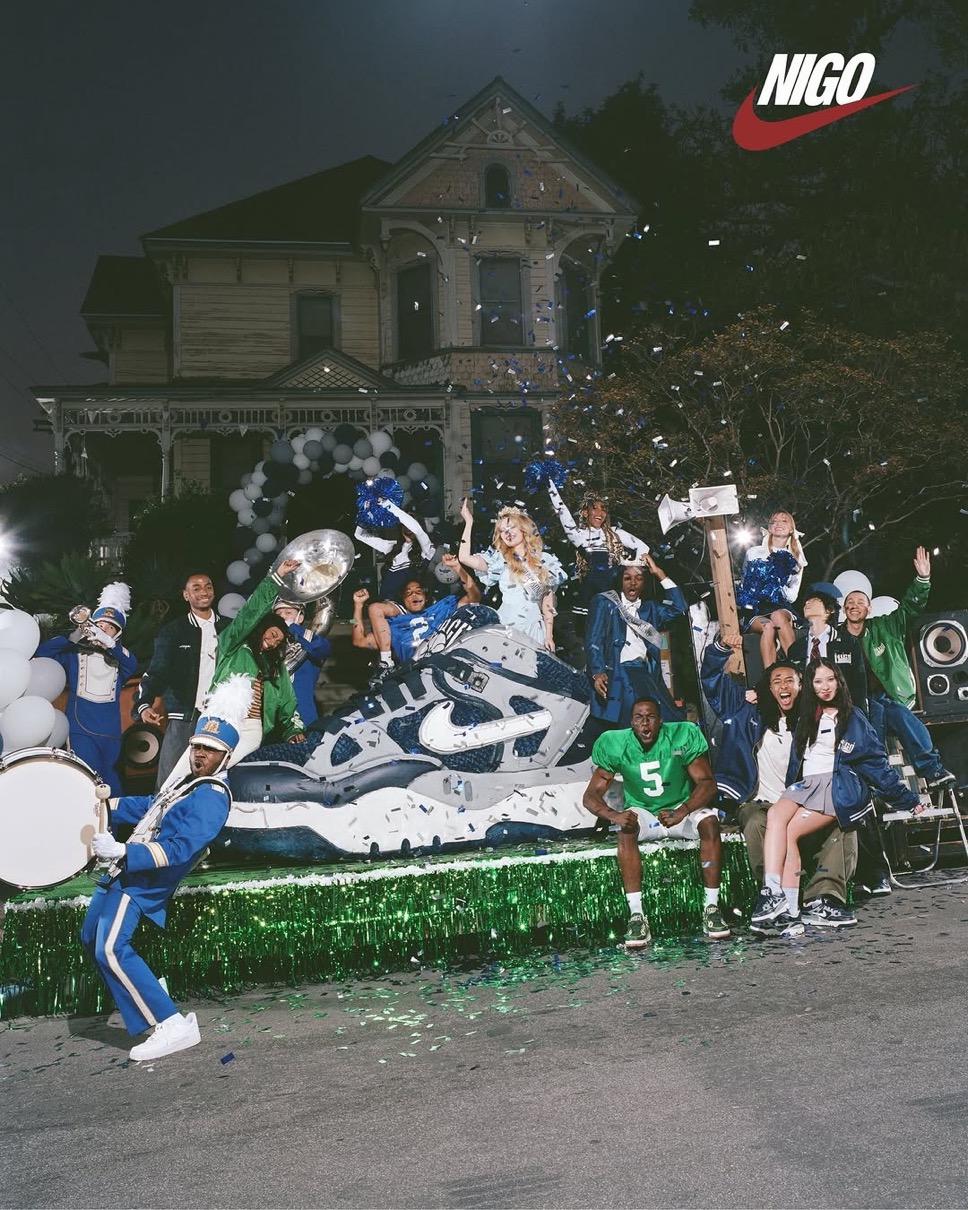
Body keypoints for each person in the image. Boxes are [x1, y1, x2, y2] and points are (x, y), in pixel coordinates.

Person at [82, 674, 252, 1062]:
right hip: (126, 868)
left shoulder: (212, 795)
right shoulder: (189, 783)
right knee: (91, 936)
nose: (200, 755)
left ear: (225, 756)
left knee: (110, 947)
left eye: (210, 750)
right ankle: (149, 993)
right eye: (197, 747)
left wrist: (124, 851)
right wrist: (105, 807)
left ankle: (171, 1023)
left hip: (143, 879)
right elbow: (151, 806)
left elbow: (179, 848)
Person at [750, 659, 927, 934]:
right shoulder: (807, 715)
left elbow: (876, 764)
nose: (825, 686)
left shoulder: (852, 717)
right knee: (775, 815)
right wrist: (756, 694)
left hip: (834, 786)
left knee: (789, 833)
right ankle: (774, 895)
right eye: (818, 681)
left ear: (839, 681)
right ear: (810, 685)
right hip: (805, 785)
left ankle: (790, 909)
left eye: (830, 679)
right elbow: (780, 702)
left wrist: (908, 799)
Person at [701, 635, 857, 928]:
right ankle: (774, 897)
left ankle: (823, 899)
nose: (784, 686)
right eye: (777, 681)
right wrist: (720, 648)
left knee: (842, 821)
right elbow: (711, 680)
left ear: (801, 686)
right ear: (768, 688)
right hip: (757, 800)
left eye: (790, 681)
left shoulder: (813, 721)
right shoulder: (745, 711)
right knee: (757, 822)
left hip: (800, 803)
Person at [582, 698, 731, 946]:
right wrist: (614, 815)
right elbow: (590, 796)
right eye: (639, 718)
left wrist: (683, 810)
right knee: (625, 829)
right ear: (631, 722)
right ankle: (636, 915)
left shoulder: (680, 737)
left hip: (680, 810)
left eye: (650, 717)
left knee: (710, 822)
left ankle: (712, 908)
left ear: (660, 721)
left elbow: (707, 783)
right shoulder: (617, 744)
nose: (645, 723)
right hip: (646, 815)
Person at [842, 546, 953, 790]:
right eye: (850, 602)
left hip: (887, 696)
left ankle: (932, 770)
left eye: (860, 601)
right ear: (844, 609)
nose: (855, 605)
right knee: (872, 719)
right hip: (854, 702)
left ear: (869, 608)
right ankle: (875, 782)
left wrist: (922, 579)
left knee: (898, 714)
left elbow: (910, 607)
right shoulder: (837, 638)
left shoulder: (885, 627)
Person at [36, 582, 138, 795]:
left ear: (117, 634)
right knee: (85, 778)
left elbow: (132, 663)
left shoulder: (121, 660)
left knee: (110, 783)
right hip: (80, 727)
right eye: (99, 625)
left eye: (110, 627)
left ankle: (113, 817)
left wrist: (109, 644)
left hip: (110, 731)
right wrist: (74, 637)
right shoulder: (74, 655)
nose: (103, 629)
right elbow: (43, 652)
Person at [134, 571, 229, 788]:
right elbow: (156, 671)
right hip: (184, 717)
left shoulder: (228, 628)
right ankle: (163, 811)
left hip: (219, 717)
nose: (204, 592)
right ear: (186, 595)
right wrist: (144, 704)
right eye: (196, 588)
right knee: (170, 781)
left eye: (208, 586)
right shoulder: (173, 631)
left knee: (215, 779)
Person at [585, 558, 687, 727]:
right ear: (620, 580)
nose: (633, 583)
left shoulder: (650, 608)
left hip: (645, 673)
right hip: (618, 673)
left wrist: (659, 573)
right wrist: (598, 672)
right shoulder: (604, 602)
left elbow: (679, 606)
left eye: (639, 578)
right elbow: (593, 639)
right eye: (627, 578)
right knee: (631, 724)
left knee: (668, 721)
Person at [351, 553, 480, 682]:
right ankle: (386, 663)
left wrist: (457, 567)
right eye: (408, 593)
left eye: (418, 591)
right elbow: (359, 641)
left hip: (449, 670)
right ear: (403, 600)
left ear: (426, 597)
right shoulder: (394, 626)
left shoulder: (442, 609)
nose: (414, 594)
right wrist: (358, 605)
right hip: (419, 678)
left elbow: (474, 596)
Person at [458, 499, 565, 650]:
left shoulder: (544, 560)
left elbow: (546, 601)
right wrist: (468, 522)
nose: (507, 533)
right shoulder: (499, 560)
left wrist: (549, 635)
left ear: (523, 528)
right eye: (502, 531)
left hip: (533, 629)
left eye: (511, 527)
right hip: (507, 629)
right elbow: (464, 558)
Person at [546, 481, 650, 609]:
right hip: (589, 596)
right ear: (585, 513)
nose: (600, 513)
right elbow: (562, 510)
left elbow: (643, 547)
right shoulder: (579, 536)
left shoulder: (615, 533)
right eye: (595, 508)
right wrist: (550, 484)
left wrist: (632, 566)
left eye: (603, 509)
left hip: (613, 594)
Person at [737, 510, 807, 668]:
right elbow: (744, 584)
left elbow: (792, 596)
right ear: (769, 528)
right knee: (767, 626)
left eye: (784, 521)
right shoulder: (753, 553)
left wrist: (775, 586)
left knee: (777, 616)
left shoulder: (796, 558)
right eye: (774, 521)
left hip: (780, 607)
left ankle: (798, 668)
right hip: (756, 610)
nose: (778, 524)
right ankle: (770, 674)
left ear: (791, 529)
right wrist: (755, 591)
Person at [787, 583, 868, 713]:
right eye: (806, 601)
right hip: (807, 714)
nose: (807, 603)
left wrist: (856, 716)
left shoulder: (848, 642)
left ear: (830, 610)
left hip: (843, 712)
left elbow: (859, 685)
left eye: (814, 600)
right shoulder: (796, 648)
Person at [354, 497, 435, 601]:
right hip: (384, 603)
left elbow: (417, 530)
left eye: (410, 524)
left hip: (406, 605)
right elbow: (359, 535)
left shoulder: (427, 549)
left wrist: (387, 504)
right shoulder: (392, 547)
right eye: (405, 525)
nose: (408, 528)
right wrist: (366, 514)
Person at [272, 600, 330, 726]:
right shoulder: (270, 645)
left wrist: (293, 628)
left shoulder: (308, 641)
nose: (282, 617)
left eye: (288, 613)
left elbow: (322, 649)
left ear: (300, 618)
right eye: (278, 614)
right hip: (274, 717)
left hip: (303, 715)